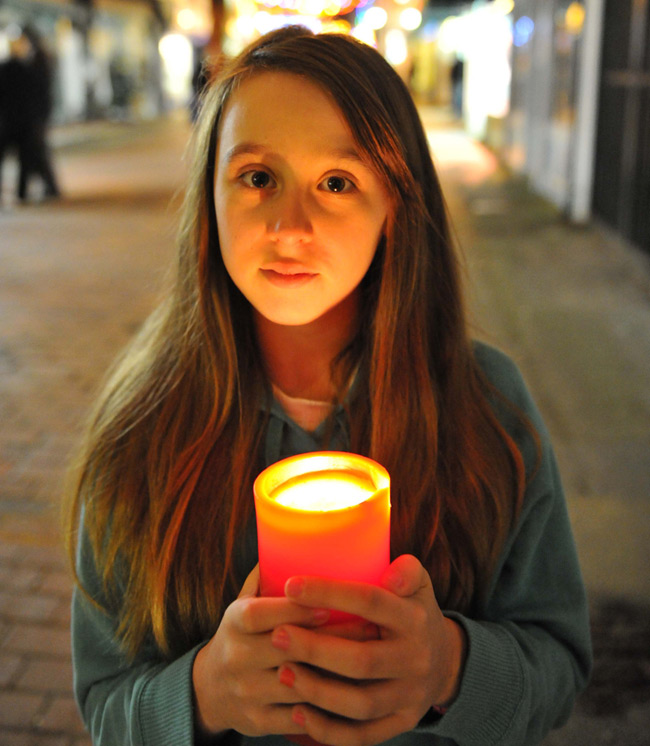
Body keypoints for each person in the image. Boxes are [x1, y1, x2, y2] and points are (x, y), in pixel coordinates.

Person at [65, 27, 592, 746]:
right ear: (208, 196)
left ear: (395, 206)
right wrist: (205, 692)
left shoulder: (485, 407)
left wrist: (448, 667)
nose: (290, 227)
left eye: (337, 183)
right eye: (257, 177)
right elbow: (105, 701)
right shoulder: (145, 424)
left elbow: (557, 662)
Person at [0, 24, 59, 203]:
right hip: (25, 120)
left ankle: (33, 191)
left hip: (15, 121)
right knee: (29, 157)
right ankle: (24, 192)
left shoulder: (31, 63)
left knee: (31, 155)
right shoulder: (31, 65)